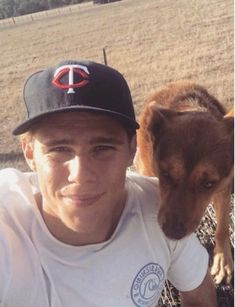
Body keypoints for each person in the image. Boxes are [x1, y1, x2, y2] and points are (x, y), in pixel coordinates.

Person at [0, 60, 217, 307]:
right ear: (29, 154)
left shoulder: (159, 213)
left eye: (102, 148)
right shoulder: (6, 230)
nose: (80, 174)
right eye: (59, 149)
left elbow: (199, 295)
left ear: (132, 149)